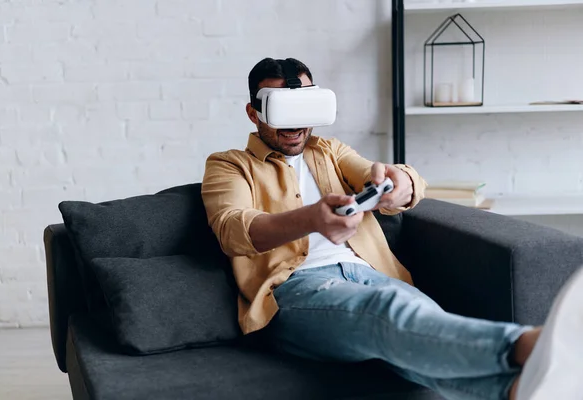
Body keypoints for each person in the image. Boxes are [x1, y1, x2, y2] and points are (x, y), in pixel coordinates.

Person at [201, 57, 583, 400]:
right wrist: (310, 219)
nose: (295, 123)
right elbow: (233, 229)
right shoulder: (230, 165)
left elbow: (384, 175)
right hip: (293, 293)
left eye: (303, 106)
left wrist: (399, 182)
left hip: (372, 273)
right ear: (253, 113)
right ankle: (531, 343)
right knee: (388, 310)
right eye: (280, 108)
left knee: (414, 339)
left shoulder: (329, 150)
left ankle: (515, 391)